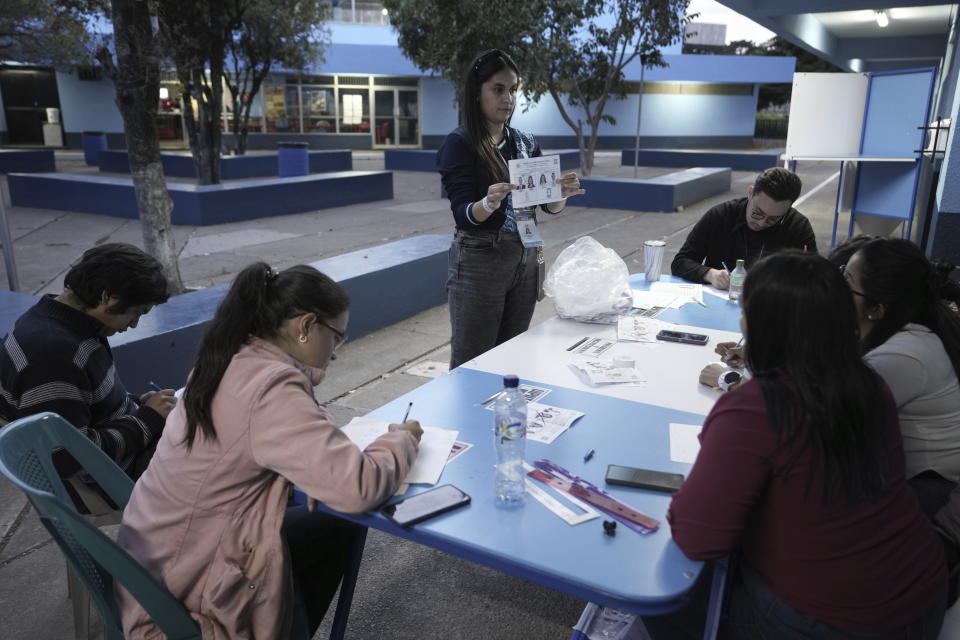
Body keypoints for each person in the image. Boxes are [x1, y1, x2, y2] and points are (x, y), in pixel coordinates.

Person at [116, 262, 422, 639]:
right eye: (337, 337)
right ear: (306, 325)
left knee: (331, 523)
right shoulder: (271, 387)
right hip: (187, 592)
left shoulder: (226, 359)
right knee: (344, 516)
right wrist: (402, 439)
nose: (337, 352)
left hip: (154, 564)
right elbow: (356, 488)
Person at [668, 251, 947, 638]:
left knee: (672, 599)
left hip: (829, 618)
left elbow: (699, 537)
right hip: (921, 593)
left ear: (762, 326)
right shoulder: (868, 383)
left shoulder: (754, 408)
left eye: (747, 312)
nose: (742, 322)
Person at [437, 48, 585, 369]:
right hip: (479, 260)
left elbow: (547, 206)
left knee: (512, 358)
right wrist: (488, 202)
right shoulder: (460, 143)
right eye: (498, 89)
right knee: (472, 364)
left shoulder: (526, 141)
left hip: (525, 258)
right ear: (477, 93)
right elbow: (462, 214)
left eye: (514, 89)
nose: (508, 98)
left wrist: (561, 193)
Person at [0, 243, 175, 479]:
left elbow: (81, 404)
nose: (134, 324)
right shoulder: (52, 355)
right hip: (114, 479)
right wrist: (149, 419)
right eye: (137, 312)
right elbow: (68, 457)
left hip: (126, 452)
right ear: (108, 297)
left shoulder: (62, 323)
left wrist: (138, 404)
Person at [841, 238, 960, 515]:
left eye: (846, 281)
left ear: (876, 309)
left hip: (931, 494)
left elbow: (822, 419)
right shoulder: (915, 325)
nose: (835, 288)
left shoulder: (901, 356)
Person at [670, 167, 816, 289]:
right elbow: (680, 262)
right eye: (757, 213)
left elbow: (814, 279)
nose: (762, 223)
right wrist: (710, 274)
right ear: (750, 193)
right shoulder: (721, 216)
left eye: (774, 218)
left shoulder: (798, 227)